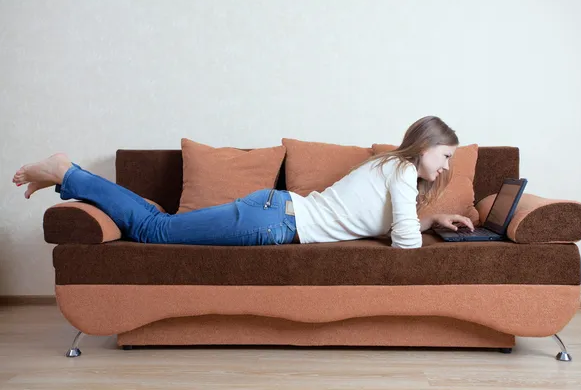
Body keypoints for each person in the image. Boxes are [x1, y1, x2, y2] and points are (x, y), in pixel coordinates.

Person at [12, 116, 473, 248]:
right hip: (273, 222)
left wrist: (432, 216)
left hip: (275, 213)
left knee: (159, 225)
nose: (447, 166)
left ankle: (68, 178)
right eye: (446, 156)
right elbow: (405, 244)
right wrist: (422, 223)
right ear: (424, 145)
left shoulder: (393, 170)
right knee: (155, 231)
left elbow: (394, 223)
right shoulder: (402, 170)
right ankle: (67, 172)